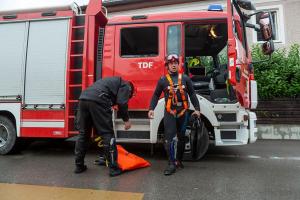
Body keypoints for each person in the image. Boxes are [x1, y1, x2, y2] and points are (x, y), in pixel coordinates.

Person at [148, 54, 201, 176]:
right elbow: (156, 95)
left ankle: (179, 160)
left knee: (182, 138)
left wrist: (197, 109)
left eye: (175, 62)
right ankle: (171, 164)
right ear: (167, 66)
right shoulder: (162, 80)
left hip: (183, 112)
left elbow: (192, 94)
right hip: (169, 113)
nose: (173, 65)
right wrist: (151, 108)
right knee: (170, 139)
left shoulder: (186, 79)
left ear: (179, 64)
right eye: (171, 63)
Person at [74, 77, 134, 177]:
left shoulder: (111, 83)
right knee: (107, 134)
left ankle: (79, 166)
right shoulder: (126, 86)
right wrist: (126, 120)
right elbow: (122, 103)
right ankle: (114, 168)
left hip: (83, 99)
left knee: (83, 134)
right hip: (99, 99)